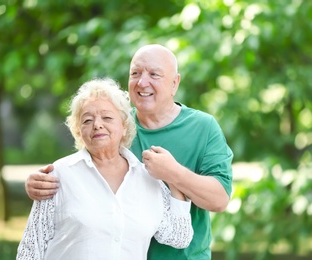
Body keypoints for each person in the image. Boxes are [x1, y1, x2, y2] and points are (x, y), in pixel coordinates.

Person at [25, 44, 234, 259]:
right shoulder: (112, 125)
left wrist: (173, 173)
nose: (142, 82)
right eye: (135, 73)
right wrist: (38, 184)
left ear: (174, 83)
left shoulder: (203, 127)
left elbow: (219, 200)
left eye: (154, 74)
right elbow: (79, 176)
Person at [17, 78, 193, 260]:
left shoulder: (148, 179)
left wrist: (173, 175)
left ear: (124, 127)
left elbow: (179, 236)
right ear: (78, 131)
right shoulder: (58, 175)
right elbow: (30, 250)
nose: (97, 125)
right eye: (87, 120)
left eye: (107, 117)